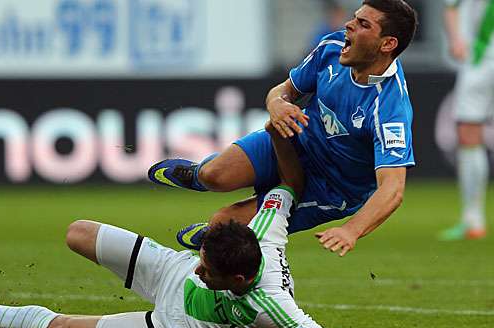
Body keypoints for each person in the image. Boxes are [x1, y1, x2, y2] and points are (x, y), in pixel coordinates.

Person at [0, 125, 344, 328]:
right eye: (203, 257)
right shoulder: (264, 231)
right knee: (78, 232)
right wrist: (278, 134)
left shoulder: (273, 308)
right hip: (165, 272)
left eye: (207, 269)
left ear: (236, 282)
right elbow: (289, 184)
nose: (200, 266)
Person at [148, 0, 418, 257]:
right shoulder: (333, 47)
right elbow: (285, 90)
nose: (349, 25)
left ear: (388, 44)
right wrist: (277, 103)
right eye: (354, 18)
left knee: (223, 225)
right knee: (214, 175)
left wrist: (351, 230)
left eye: (363, 24)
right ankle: (198, 175)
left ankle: (215, 234)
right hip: (295, 140)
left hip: (330, 187)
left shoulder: (389, 108)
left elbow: (392, 189)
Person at [438, 0, 492, 240]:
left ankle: (473, 219)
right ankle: (473, 220)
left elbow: (451, 7)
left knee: (469, 134)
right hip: (481, 57)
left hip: (482, 59)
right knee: (469, 134)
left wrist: (456, 40)